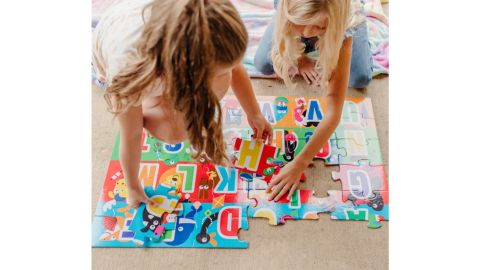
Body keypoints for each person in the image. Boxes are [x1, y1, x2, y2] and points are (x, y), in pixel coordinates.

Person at [92, 0, 273, 208]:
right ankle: (164, 99)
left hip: (161, 45)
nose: (227, 75)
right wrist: (132, 186)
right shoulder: (129, 74)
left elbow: (235, 68)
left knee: (219, 83)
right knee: (174, 132)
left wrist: (255, 113)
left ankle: (179, 93)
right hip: (130, 59)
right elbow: (131, 135)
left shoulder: (212, 32)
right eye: (220, 71)